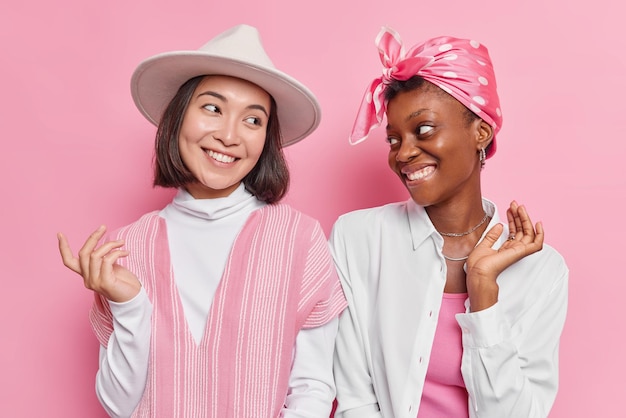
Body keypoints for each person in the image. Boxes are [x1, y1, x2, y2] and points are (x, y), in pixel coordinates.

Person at [57, 24, 346, 418]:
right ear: (178, 118)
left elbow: (312, 387)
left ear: (266, 141)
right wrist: (128, 305)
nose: (229, 135)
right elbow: (117, 406)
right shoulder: (127, 247)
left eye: (253, 120)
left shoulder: (300, 239)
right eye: (212, 108)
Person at [331, 27, 568, 418]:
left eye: (423, 130)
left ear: (481, 132)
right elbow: (355, 399)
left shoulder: (543, 271)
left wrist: (483, 294)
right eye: (393, 139)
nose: (404, 153)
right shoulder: (357, 239)